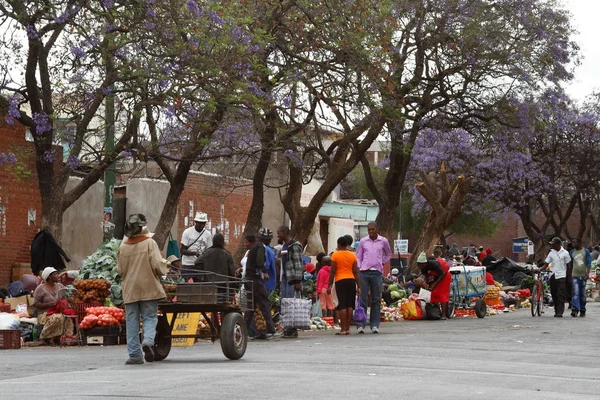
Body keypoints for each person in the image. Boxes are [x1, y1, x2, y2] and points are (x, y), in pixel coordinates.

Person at [118, 214, 169, 364]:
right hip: (148, 287)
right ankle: (147, 341)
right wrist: (166, 266)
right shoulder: (149, 243)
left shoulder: (123, 247)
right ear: (142, 228)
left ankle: (134, 355)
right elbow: (157, 265)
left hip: (130, 288)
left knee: (132, 321)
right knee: (149, 317)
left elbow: (120, 270)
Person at [355, 222, 391, 334]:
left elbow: (388, 254)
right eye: (369, 230)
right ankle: (361, 324)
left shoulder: (383, 241)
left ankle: (375, 324)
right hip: (364, 272)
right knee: (363, 298)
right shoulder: (363, 241)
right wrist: (360, 266)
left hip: (377, 273)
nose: (371, 232)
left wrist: (382, 263)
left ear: (377, 229)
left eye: (373, 229)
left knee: (376, 299)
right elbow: (358, 256)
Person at [244, 228, 278, 339]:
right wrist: (264, 272)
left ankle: (244, 331)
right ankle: (271, 330)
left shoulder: (255, 246)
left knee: (251, 307)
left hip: (248, 279)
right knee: (264, 303)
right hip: (255, 279)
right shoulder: (260, 247)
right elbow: (259, 261)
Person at [32, 267, 74, 346]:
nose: (58, 276)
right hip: (44, 313)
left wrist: (65, 303)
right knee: (57, 317)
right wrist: (48, 304)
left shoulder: (60, 286)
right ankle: (44, 337)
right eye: (55, 274)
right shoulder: (40, 288)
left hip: (58, 311)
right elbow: (35, 304)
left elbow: (64, 299)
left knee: (67, 318)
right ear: (49, 277)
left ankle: (64, 338)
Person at [328, 237, 361, 335]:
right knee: (349, 305)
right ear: (347, 245)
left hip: (340, 281)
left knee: (342, 304)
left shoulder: (335, 255)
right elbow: (355, 272)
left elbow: (333, 271)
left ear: (338, 244)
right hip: (351, 281)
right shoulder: (352, 256)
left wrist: (329, 284)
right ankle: (347, 329)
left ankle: (342, 329)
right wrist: (359, 286)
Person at [276, 225, 304, 338]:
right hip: (284, 277)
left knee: (292, 304)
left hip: (292, 279)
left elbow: (298, 265)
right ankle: (287, 328)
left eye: (279, 233)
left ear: (284, 233)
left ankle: (292, 329)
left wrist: (298, 282)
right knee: (285, 303)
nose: (278, 235)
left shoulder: (294, 246)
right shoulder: (284, 246)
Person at [416, 252, 452, 320]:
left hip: (444, 276)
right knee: (433, 293)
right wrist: (427, 283)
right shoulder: (423, 267)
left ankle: (443, 315)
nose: (420, 266)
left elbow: (442, 274)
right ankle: (437, 312)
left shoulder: (434, 264)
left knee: (441, 294)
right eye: (419, 264)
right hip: (435, 277)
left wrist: (434, 285)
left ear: (425, 263)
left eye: (421, 264)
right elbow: (426, 275)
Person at [542, 237, 571, 318]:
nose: (552, 246)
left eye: (553, 244)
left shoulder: (565, 253)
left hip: (562, 275)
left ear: (558, 244)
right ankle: (556, 309)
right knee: (554, 293)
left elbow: (569, 265)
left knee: (560, 294)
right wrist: (540, 269)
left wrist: (569, 277)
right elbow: (546, 264)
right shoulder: (551, 253)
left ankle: (560, 311)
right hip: (553, 275)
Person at [180, 212, 212, 281]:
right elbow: (182, 250)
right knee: (188, 286)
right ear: (195, 222)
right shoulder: (187, 232)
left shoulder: (208, 234)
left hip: (200, 266)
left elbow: (209, 250)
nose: (202, 225)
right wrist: (194, 253)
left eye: (204, 223)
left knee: (199, 287)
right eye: (200, 223)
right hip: (187, 265)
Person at [569, 238, 591, 317]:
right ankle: (575, 309)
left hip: (583, 276)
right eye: (572, 243)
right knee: (576, 292)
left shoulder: (586, 251)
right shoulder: (572, 252)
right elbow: (570, 265)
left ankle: (582, 309)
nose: (573, 244)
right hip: (575, 275)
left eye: (574, 242)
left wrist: (587, 273)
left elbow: (588, 263)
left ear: (579, 243)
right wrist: (569, 275)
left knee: (582, 294)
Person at [258, 228, 277, 293]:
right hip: (270, 282)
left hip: (265, 282)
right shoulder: (270, 250)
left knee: (262, 302)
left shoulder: (265, 250)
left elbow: (266, 265)